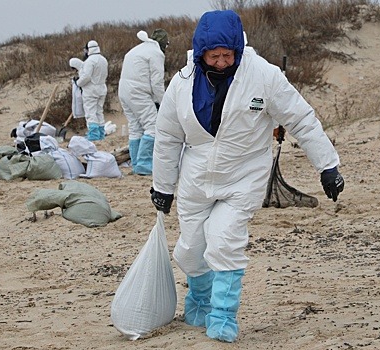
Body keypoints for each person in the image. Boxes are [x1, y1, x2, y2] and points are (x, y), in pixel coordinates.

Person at [150, 10, 345, 343]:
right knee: (190, 250)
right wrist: (163, 186)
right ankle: (199, 300)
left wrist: (328, 166)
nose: (223, 62)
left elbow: (301, 119)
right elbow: (168, 137)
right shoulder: (182, 83)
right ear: (201, 53)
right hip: (197, 180)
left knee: (225, 241)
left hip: (244, 177)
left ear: (238, 49)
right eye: (215, 56)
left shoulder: (263, 76)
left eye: (229, 54)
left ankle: (223, 315)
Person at [118, 28, 169, 175]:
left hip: (124, 91)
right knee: (152, 126)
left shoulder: (137, 49)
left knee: (135, 128)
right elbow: (157, 83)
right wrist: (165, 103)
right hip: (138, 92)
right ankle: (144, 164)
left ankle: (136, 163)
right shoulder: (156, 53)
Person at [75, 40, 108, 141]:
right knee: (99, 111)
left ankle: (93, 135)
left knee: (90, 112)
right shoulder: (103, 59)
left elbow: (87, 76)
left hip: (91, 90)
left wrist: (78, 82)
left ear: (88, 49)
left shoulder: (90, 61)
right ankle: (101, 133)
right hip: (102, 88)